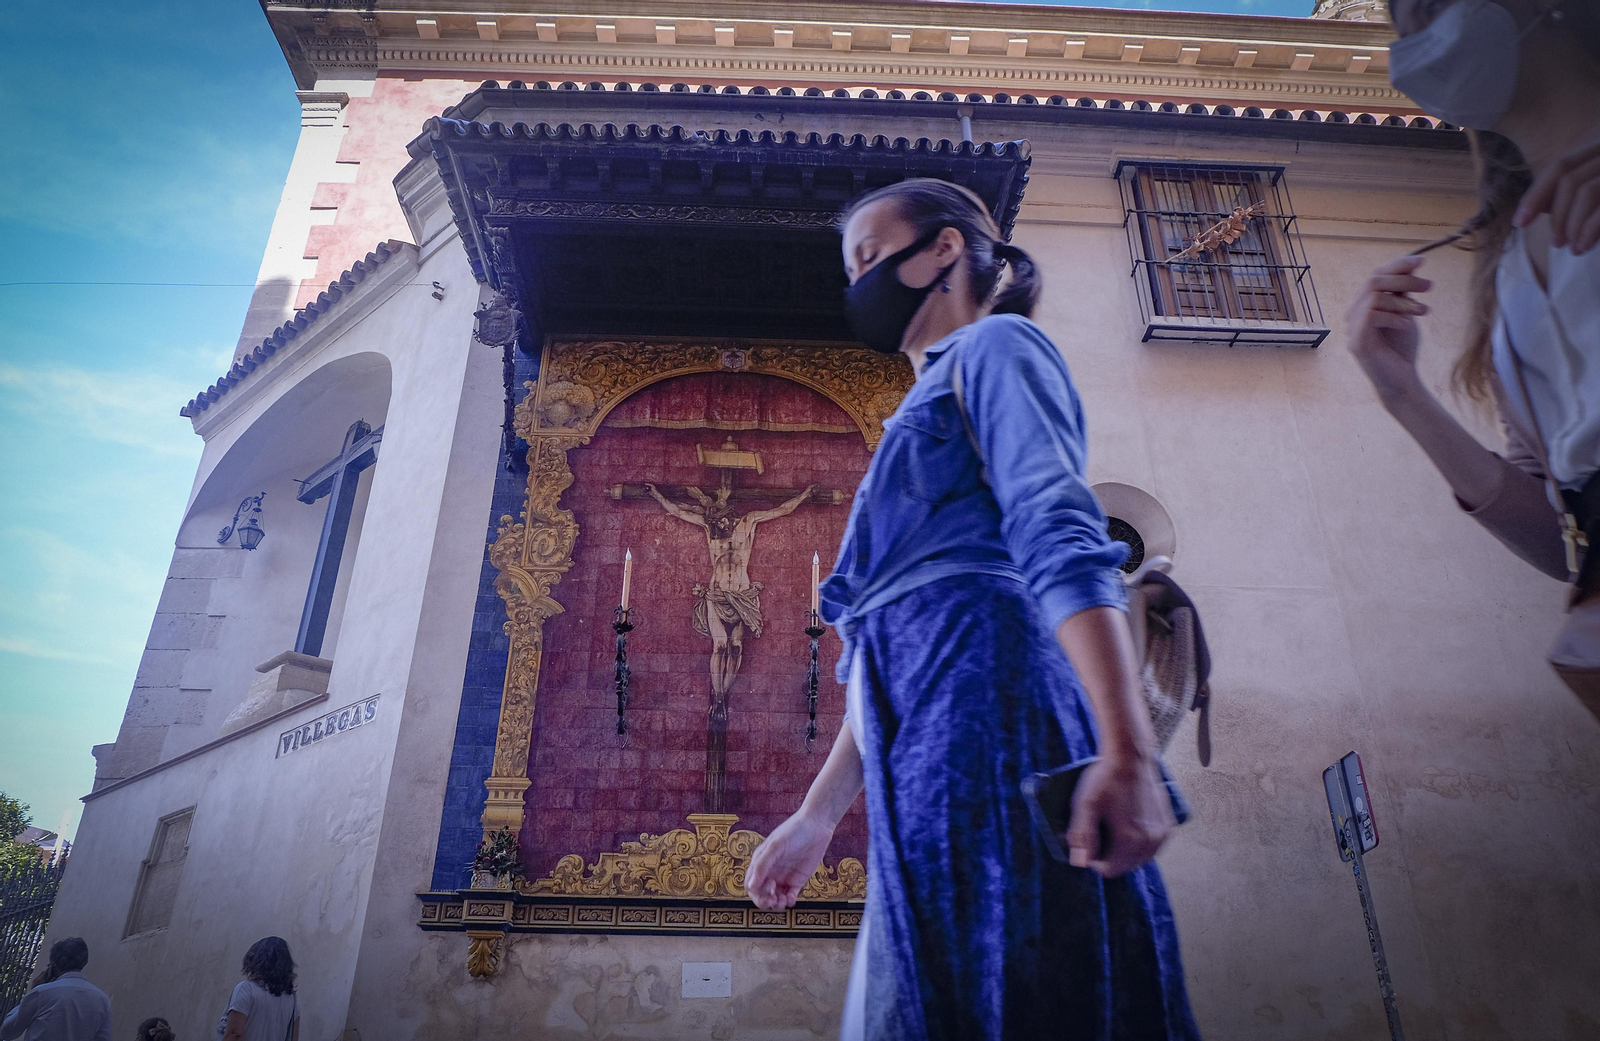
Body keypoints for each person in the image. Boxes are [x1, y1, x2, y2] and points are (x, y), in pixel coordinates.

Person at [745, 178, 1198, 1040]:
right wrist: (817, 816)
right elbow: (882, 658)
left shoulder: (998, 346)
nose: (859, 284)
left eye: (871, 257)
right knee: (951, 982)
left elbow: (1058, 533)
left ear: (944, 248)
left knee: (998, 982)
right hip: (920, 737)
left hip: (986, 712)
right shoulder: (921, 406)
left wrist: (1129, 749)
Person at [1349, 0, 1600, 716]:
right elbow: (1564, 544)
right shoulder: (1510, 274)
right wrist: (1404, 395)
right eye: (1404, 26)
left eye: (1429, 7)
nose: (1415, 44)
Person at [0, 937, 112, 1041]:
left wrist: (32, 992)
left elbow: (8, 1031)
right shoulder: (102, 999)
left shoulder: (41, 993)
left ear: (53, 966)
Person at [217, 938, 298, 1041]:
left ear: (255, 960)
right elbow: (293, 1037)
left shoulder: (246, 989)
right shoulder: (293, 999)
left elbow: (234, 1033)